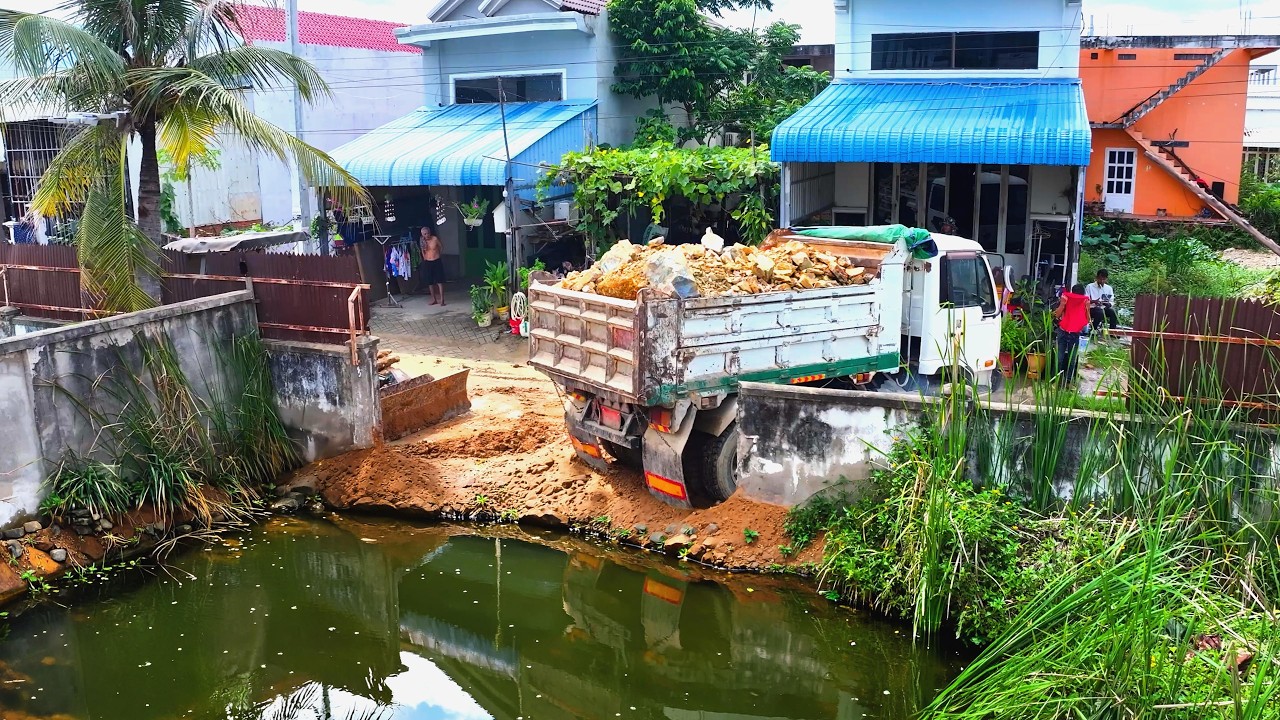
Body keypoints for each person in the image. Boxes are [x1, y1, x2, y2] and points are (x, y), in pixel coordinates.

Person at [1053, 283, 1091, 385]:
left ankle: (1062, 381)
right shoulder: (1072, 300)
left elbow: (1056, 315)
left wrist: (1062, 304)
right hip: (1070, 333)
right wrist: (1063, 304)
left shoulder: (1071, 299)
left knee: (1062, 358)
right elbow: (1087, 320)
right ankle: (1065, 381)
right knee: (1070, 359)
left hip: (1065, 332)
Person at [418, 226, 445, 306]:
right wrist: (425, 258)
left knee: (439, 281)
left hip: (436, 261)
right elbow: (422, 251)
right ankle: (434, 299)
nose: (427, 235)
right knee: (430, 282)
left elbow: (441, 247)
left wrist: (438, 255)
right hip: (428, 262)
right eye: (425, 234)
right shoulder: (422, 241)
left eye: (428, 233)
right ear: (422, 235)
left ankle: (442, 299)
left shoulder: (435, 239)